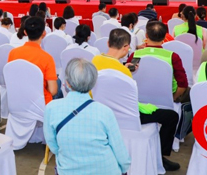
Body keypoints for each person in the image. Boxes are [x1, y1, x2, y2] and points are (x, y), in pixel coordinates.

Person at [92, 28, 181, 171]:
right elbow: (130, 102)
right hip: (127, 117)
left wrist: (124, 67)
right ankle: (160, 157)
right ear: (126, 47)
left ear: (108, 43)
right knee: (171, 116)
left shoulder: (95, 60)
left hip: (102, 112)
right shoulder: (123, 73)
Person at [44, 59, 131, 175]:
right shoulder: (105, 112)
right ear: (93, 83)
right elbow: (119, 150)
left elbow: (53, 145)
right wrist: (124, 168)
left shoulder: (51, 108)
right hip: (106, 169)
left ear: (67, 83)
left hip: (68, 170)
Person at [129, 21, 189, 103]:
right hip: (166, 101)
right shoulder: (173, 57)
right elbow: (183, 84)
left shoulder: (135, 55)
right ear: (164, 37)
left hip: (139, 100)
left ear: (146, 35)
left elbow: (126, 78)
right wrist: (172, 99)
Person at [8, 17, 58, 103]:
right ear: (44, 33)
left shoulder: (13, 53)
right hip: (41, 104)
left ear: (25, 32)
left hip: (18, 101)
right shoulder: (47, 58)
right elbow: (53, 90)